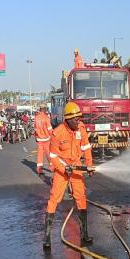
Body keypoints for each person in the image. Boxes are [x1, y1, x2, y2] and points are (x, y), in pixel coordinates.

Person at [43, 102, 93, 248]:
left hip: (76, 167)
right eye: (76, 118)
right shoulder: (57, 133)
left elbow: (86, 147)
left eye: (79, 117)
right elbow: (52, 156)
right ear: (68, 119)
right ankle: (47, 238)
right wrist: (63, 169)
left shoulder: (81, 129)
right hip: (62, 169)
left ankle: (84, 234)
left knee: (81, 198)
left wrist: (89, 165)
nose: (79, 120)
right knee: (54, 199)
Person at [34, 104, 53, 175]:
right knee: (49, 154)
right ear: (44, 109)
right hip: (46, 139)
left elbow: (35, 129)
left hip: (39, 139)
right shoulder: (46, 117)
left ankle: (39, 169)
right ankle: (52, 167)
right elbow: (50, 129)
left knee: (39, 155)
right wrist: (53, 137)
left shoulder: (36, 118)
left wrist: (36, 137)